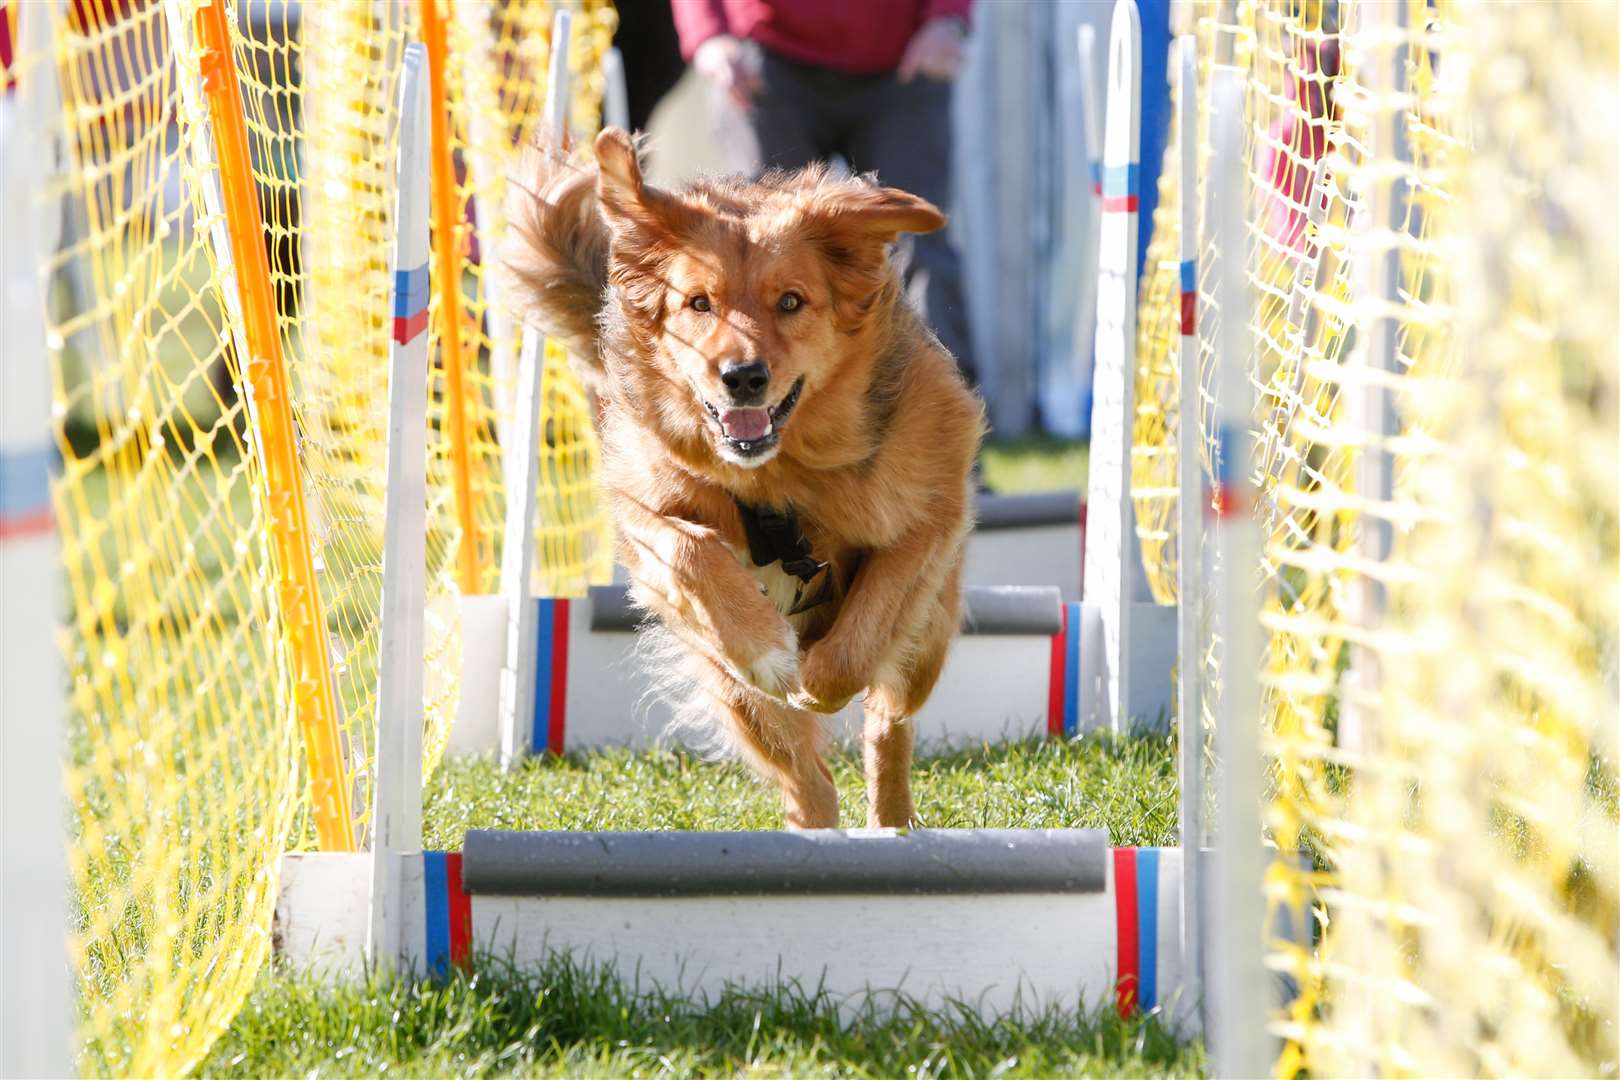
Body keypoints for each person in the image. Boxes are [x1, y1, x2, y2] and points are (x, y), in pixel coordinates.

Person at [671, 0, 978, 385]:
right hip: (768, 64)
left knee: (919, 241)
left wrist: (947, 18)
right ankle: (759, 403)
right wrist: (709, 35)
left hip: (904, 60)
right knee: (760, 249)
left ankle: (941, 405)